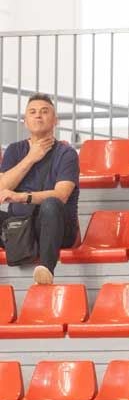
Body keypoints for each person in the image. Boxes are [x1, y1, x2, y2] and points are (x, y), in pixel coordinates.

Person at [0, 93, 79, 285]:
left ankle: (46, 269)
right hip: (20, 227)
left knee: (51, 204)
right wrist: (31, 157)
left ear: (55, 120)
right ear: (25, 121)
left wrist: (21, 197)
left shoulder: (67, 153)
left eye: (44, 111)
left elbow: (61, 195)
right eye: (33, 112)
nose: (38, 115)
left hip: (57, 227)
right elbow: (1, 187)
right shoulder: (14, 150)